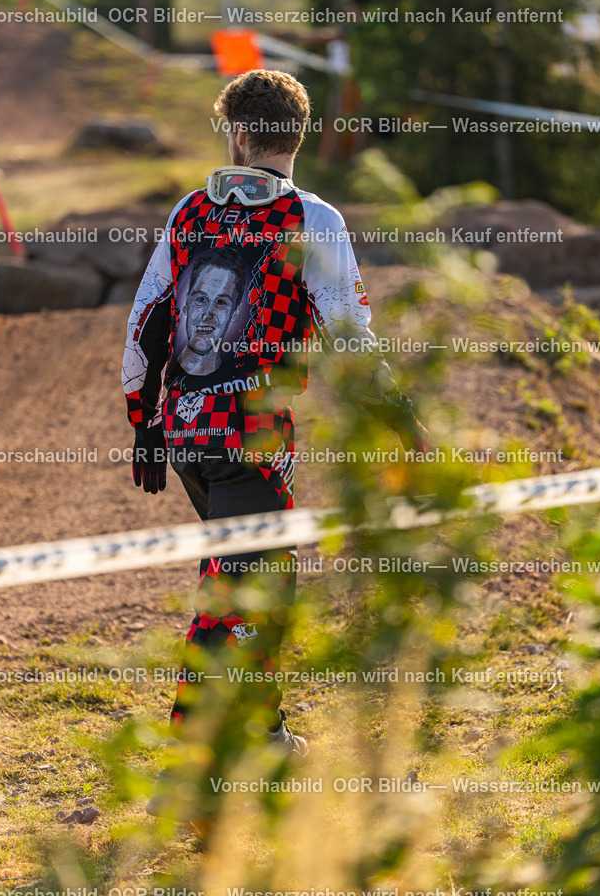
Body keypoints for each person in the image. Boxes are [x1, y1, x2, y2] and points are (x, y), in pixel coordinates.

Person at [121, 69, 428, 821]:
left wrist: (144, 421)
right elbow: (349, 334)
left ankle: (266, 735)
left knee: (247, 578)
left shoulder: (190, 209)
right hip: (253, 429)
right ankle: (188, 767)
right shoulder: (310, 217)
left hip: (186, 429)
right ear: (300, 134)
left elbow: (144, 322)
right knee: (244, 595)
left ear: (236, 134)